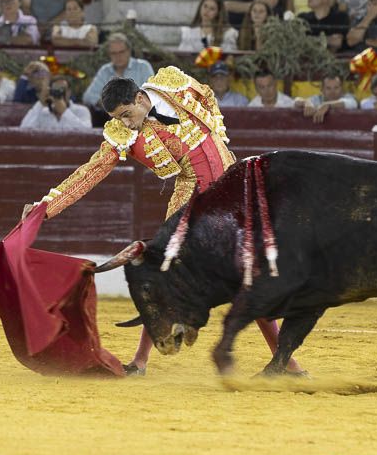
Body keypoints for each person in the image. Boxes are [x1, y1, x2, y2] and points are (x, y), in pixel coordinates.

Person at [24, 68, 301, 376]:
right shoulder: (123, 134)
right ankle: (141, 361)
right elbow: (91, 172)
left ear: (141, 98)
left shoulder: (172, 83)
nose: (126, 123)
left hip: (231, 188)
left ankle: (286, 363)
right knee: (163, 275)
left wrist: (219, 140)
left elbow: (207, 95)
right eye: (119, 119)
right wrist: (46, 206)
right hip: (191, 196)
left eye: (128, 114)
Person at [81, 33, 154, 108]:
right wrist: (109, 106)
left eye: (121, 52)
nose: (118, 56)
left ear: (129, 51)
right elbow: (88, 96)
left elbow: (153, 94)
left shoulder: (143, 67)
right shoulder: (105, 71)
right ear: (109, 54)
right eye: (114, 53)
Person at [19, 75, 92, 131]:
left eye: (62, 90)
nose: (60, 93)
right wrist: (41, 103)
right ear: (50, 91)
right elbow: (23, 130)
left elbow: (87, 132)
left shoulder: (81, 111)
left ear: (69, 92)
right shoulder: (42, 111)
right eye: (56, 90)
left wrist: (65, 112)